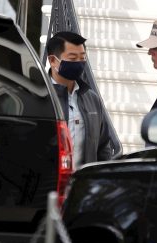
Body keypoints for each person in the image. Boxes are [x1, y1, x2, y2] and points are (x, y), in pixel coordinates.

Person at [46, 31, 111, 169]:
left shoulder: (92, 99)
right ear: (52, 60)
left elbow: (103, 146)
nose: (79, 63)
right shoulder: (39, 96)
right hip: (48, 185)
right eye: (72, 58)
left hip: (82, 185)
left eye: (82, 58)